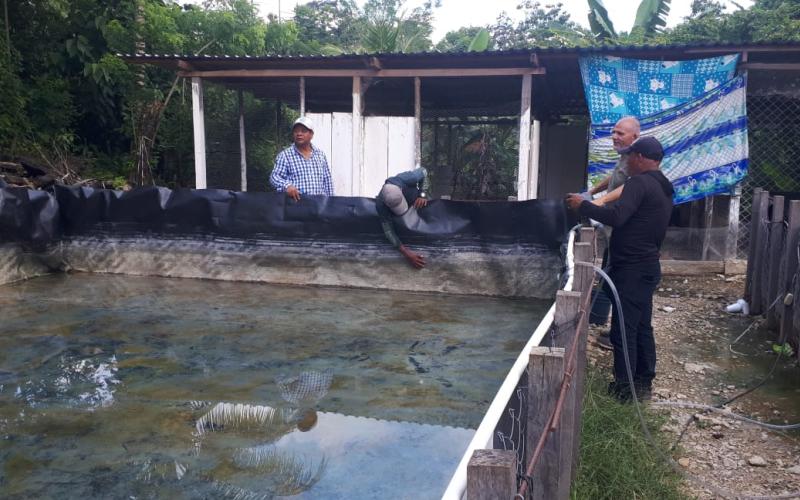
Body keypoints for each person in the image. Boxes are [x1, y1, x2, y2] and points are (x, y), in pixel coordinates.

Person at [566, 136, 673, 402]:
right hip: (648, 265)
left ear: (639, 158)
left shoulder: (638, 183)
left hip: (632, 269)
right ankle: (643, 380)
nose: (626, 162)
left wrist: (584, 205)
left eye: (629, 157)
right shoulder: (664, 185)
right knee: (642, 326)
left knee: (623, 330)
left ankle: (624, 390)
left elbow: (617, 217)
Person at [375, 167, 430, 269]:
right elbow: (388, 231)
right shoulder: (380, 205)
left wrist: (422, 195)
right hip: (403, 223)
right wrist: (407, 253)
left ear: (400, 189)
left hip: (419, 206)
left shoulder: (406, 178)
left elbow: (424, 172)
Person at [270, 116, 334, 200]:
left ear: (311, 134)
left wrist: (331, 202)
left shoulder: (320, 155)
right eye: (296, 131)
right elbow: (274, 177)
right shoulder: (285, 155)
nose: (299, 134)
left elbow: (327, 181)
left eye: (303, 131)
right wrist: (287, 186)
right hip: (296, 206)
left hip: (318, 206)